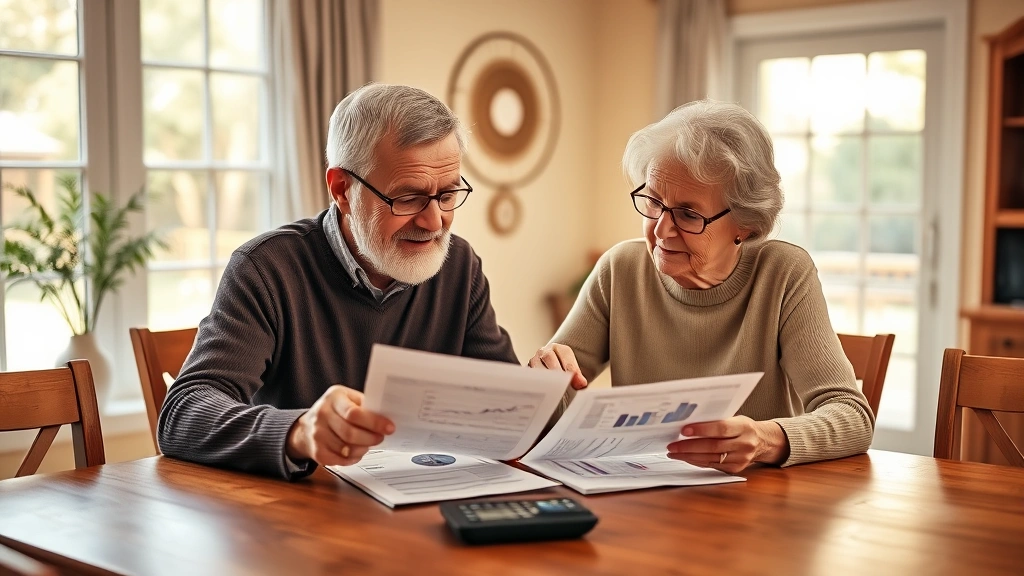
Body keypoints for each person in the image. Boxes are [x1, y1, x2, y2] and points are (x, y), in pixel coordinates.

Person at [158, 84, 518, 480]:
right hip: (299, 520)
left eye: (447, 195)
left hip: (422, 509)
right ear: (342, 189)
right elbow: (183, 413)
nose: (434, 222)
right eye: (408, 198)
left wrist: (548, 385)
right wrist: (298, 431)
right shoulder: (266, 269)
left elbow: (507, 414)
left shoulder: (459, 266)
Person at [529, 100, 873, 473]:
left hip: (754, 504)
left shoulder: (783, 274)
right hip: (641, 496)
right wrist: (541, 387)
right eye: (655, 202)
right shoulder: (620, 269)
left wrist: (763, 439)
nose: (661, 229)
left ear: (746, 224)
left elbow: (852, 417)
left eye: (689, 214)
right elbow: (554, 402)